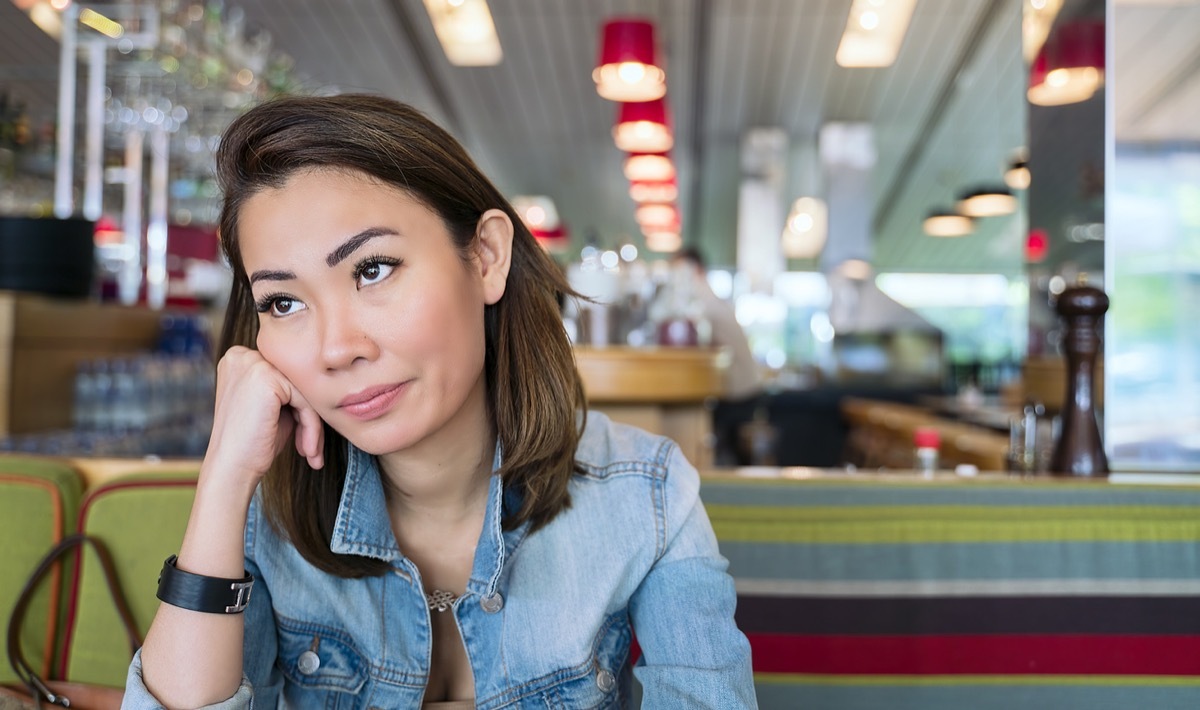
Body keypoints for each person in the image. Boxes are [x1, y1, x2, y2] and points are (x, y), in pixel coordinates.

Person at [122, 94, 756, 709]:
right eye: (283, 303)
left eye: (372, 269)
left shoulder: (644, 493)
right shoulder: (265, 515)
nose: (337, 349)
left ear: (485, 257)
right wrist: (224, 477)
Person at [671, 248, 766, 466]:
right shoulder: (709, 297)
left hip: (739, 391)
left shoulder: (700, 298)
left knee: (714, 443)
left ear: (694, 270)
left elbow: (690, 339)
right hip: (746, 388)